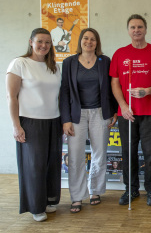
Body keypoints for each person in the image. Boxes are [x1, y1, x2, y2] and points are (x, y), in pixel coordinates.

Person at [110, 14, 151, 206]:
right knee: (128, 153)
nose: (137, 30)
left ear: (145, 29)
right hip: (127, 113)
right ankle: (131, 189)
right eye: (133, 27)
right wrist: (123, 106)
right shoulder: (119, 54)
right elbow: (115, 83)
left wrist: (148, 91)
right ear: (128, 30)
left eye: (140, 27)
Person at [6, 28, 62, 222]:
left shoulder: (54, 66)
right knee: (34, 166)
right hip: (30, 121)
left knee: (52, 164)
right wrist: (16, 126)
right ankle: (36, 207)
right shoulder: (19, 63)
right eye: (40, 41)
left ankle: (49, 200)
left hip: (53, 120)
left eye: (47, 42)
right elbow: (11, 97)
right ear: (31, 42)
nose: (43, 45)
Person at [60, 28, 118, 213]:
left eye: (93, 39)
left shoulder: (104, 61)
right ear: (80, 41)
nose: (89, 42)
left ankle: (95, 191)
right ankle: (77, 196)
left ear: (97, 42)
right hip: (77, 115)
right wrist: (66, 119)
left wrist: (114, 110)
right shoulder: (69, 62)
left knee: (99, 154)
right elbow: (65, 91)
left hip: (100, 113)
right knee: (76, 156)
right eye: (86, 38)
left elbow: (111, 88)